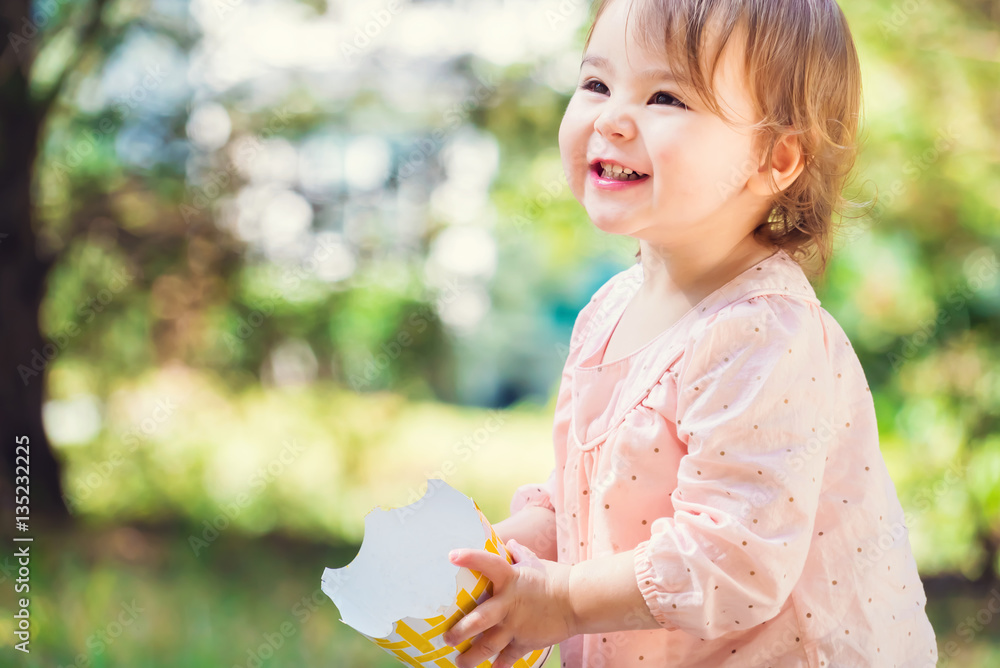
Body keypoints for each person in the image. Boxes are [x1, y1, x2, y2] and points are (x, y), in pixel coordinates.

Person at [443, 0, 939, 666]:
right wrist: (515, 559)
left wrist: (561, 601)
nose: (612, 117)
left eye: (666, 97)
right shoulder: (610, 310)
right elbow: (583, 498)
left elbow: (733, 561)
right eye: (596, 84)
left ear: (777, 156)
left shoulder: (764, 336)